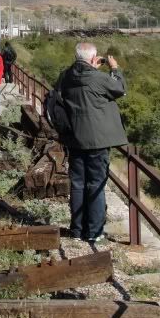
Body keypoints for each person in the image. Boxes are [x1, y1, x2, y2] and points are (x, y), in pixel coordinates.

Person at [57, 42, 127, 244]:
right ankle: (94, 231)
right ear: (93, 58)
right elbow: (120, 89)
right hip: (97, 140)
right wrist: (114, 68)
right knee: (96, 184)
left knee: (78, 184)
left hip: (74, 137)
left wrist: (90, 67)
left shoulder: (66, 76)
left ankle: (77, 229)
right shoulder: (99, 78)